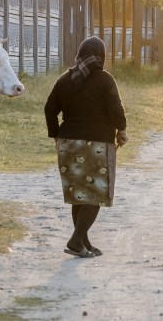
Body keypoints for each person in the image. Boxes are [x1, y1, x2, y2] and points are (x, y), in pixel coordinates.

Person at [44, 37, 128, 258]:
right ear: (101, 55)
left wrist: (55, 135)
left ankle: (83, 243)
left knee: (79, 194)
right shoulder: (104, 79)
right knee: (95, 195)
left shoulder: (65, 79)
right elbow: (115, 107)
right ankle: (75, 240)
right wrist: (122, 130)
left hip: (68, 144)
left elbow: (49, 109)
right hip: (98, 145)